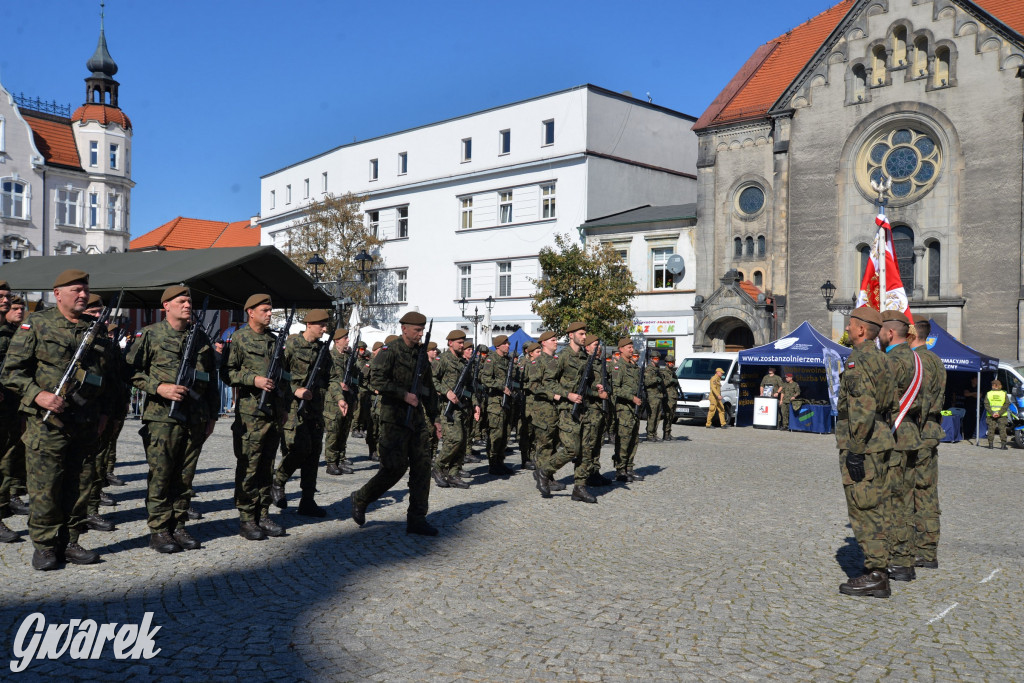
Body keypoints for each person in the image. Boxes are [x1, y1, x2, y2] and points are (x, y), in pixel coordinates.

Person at [2, 269, 112, 569]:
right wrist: (37, 394)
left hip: (86, 421)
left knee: (80, 484)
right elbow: (11, 372)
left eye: (85, 289)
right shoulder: (37, 324)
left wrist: (105, 413)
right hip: (47, 422)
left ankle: (71, 541)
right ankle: (46, 545)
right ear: (58, 293)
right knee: (45, 485)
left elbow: (110, 378)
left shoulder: (96, 329)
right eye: (76, 289)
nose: (82, 294)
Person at [128, 285, 219, 553]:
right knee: (162, 474)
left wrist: (212, 415)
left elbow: (210, 380)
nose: (188, 305)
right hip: (162, 418)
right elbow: (129, 371)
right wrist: (158, 387)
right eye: (181, 301)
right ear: (166, 305)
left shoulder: (200, 337)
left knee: (185, 476)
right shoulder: (151, 335)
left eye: (189, 300)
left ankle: (178, 524)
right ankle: (159, 530)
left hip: (195, 417)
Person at [350, 312, 441, 535]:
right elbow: (375, 380)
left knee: (422, 468)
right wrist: (403, 394)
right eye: (417, 330)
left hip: (417, 420)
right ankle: (362, 497)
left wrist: (436, 418)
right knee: (394, 468)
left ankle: (417, 519)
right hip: (394, 419)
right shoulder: (389, 352)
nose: (420, 334)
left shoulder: (421, 354)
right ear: (404, 329)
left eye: (422, 330)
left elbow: (428, 389)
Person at [836, 306, 897, 598]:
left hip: (864, 445)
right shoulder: (883, 360)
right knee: (879, 505)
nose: (847, 329)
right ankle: (879, 567)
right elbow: (892, 404)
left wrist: (856, 450)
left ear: (861, 330)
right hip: (881, 441)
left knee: (864, 508)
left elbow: (862, 408)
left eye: (851, 325)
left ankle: (876, 574)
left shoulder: (858, 361)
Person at [221, 293, 287, 541]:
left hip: (271, 412)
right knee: (249, 466)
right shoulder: (238, 339)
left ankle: (263, 513)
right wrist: (254, 379)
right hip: (250, 414)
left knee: (267, 466)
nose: (269, 314)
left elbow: (282, 376)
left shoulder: (273, 340)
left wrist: (283, 408)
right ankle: (247, 517)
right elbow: (227, 373)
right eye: (265, 310)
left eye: (270, 310)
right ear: (250, 311)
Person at [534, 322, 607, 504]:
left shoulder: (585, 357)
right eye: (581, 334)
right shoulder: (562, 357)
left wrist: (595, 389)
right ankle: (545, 471)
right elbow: (548, 382)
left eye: (585, 334)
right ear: (571, 335)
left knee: (586, 451)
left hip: (585, 410)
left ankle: (579, 488)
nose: (584, 337)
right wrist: (567, 395)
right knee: (571, 448)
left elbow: (587, 384)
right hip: (567, 410)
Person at [271, 309, 332, 517]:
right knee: (299, 449)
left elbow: (332, 377)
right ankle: (278, 481)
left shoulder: (322, 350)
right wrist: (295, 390)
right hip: (293, 408)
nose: (325, 329)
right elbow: (277, 374)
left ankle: (307, 500)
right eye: (321, 325)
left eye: (326, 325)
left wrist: (339, 397)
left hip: (315, 409)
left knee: (314, 454)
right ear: (309, 325)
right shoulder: (293, 345)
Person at [879, 310, 925, 583]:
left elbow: (883, 400)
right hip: (911, 433)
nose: (880, 336)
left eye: (882, 331)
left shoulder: (892, 360)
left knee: (891, 501)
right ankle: (906, 559)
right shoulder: (917, 359)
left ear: (890, 333)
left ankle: (896, 560)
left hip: (893, 434)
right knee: (906, 500)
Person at [910, 319, 947, 570]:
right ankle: (929, 547)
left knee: (914, 492)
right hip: (932, 429)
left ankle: (919, 548)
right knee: (928, 491)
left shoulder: (918, 361)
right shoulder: (937, 361)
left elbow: (917, 401)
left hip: (918, 430)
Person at [433, 330, 479, 488]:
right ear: (450, 342)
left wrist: (475, 404)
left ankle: (454, 473)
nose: (462, 345)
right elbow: (432, 379)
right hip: (449, 408)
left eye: (463, 342)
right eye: (459, 342)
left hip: (464, 407)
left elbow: (470, 386)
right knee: (455, 439)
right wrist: (446, 392)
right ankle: (438, 467)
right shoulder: (443, 359)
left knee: (463, 441)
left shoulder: (464, 362)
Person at [479, 335, 516, 476]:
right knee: (496, 434)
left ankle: (500, 462)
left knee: (505, 433)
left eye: (508, 343)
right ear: (498, 346)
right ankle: (493, 463)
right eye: (505, 343)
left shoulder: (508, 361)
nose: (508, 345)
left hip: (508, 402)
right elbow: (485, 378)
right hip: (495, 403)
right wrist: (501, 386)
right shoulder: (491, 359)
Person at [324, 327, 356, 476]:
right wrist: (338, 385)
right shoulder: (329, 357)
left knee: (344, 431)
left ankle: (341, 458)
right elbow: (327, 379)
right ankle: (331, 462)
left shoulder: (349, 357)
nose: (348, 340)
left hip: (348, 397)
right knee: (334, 431)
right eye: (345, 338)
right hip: (333, 401)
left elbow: (357, 377)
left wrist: (350, 384)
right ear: (337, 340)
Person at [610, 337, 643, 482]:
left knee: (633, 439)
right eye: (628, 347)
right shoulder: (619, 367)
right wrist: (631, 397)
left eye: (632, 347)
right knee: (623, 440)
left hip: (634, 409)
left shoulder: (634, 367)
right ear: (621, 349)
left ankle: (629, 467)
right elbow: (615, 389)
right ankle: (620, 470)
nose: (631, 350)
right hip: (623, 409)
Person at [643, 352, 666, 441]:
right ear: (651, 359)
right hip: (652, 395)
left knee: (658, 416)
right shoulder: (649, 369)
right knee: (652, 416)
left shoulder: (658, 369)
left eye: (658, 359)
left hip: (658, 394)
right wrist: (656, 379)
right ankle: (650, 434)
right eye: (655, 358)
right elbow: (647, 382)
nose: (657, 360)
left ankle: (654, 433)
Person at [984, 379, 1009, 449]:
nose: (992, 386)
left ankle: (990, 445)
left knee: (991, 430)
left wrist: (992, 413)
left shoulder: (989, 393)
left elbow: (986, 404)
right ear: (998, 386)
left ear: (995, 386)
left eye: (992, 385)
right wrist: (999, 413)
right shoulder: (1004, 394)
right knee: (1002, 429)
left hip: (990, 415)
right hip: (1002, 415)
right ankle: (1003, 445)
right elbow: (1007, 404)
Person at [660, 358, 679, 440]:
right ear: (666, 363)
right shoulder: (663, 372)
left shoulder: (673, 372)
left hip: (673, 396)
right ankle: (665, 433)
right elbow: (663, 384)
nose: (672, 364)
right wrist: (671, 380)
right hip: (668, 396)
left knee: (672, 415)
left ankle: (669, 432)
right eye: (670, 362)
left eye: (673, 362)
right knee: (667, 415)